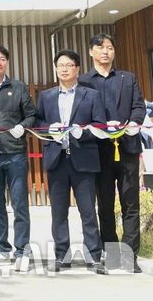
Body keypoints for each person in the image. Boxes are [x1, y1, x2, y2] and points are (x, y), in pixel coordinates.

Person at [79, 33, 146, 273]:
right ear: (91, 52)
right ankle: (113, 254)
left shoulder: (128, 78)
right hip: (99, 150)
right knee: (105, 205)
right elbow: (82, 111)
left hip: (127, 148)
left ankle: (130, 256)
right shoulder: (84, 81)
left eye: (109, 47)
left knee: (131, 204)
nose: (106, 51)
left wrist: (132, 123)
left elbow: (138, 106)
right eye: (100, 47)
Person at [36, 50, 107, 274]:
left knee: (88, 211)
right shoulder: (46, 96)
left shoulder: (91, 95)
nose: (64, 69)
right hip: (56, 159)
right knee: (58, 213)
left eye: (69, 65)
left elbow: (100, 125)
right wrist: (50, 129)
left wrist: (82, 133)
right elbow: (38, 123)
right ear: (55, 69)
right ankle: (61, 256)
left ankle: (94, 257)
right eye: (60, 65)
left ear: (77, 68)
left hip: (83, 159)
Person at [0, 45, 36, 269]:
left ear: (7, 63)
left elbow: (32, 115)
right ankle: (1, 249)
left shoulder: (18, 87)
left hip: (15, 154)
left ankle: (22, 251)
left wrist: (22, 126)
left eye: (2, 59)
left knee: (20, 204)